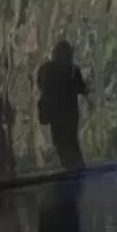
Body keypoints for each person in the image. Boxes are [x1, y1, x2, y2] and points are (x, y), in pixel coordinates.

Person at [36, 40, 89, 168]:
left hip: (56, 113)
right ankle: (76, 168)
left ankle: (71, 167)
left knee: (61, 142)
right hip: (70, 113)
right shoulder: (72, 69)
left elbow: (41, 85)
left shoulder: (46, 69)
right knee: (71, 141)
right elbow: (81, 89)